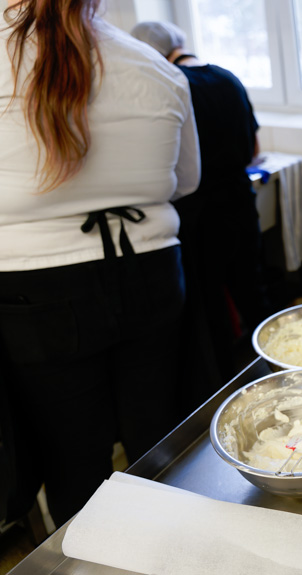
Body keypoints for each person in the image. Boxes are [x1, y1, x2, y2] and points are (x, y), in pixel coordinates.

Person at [0, 0, 199, 527]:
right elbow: (187, 181)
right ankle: (168, 549)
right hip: (152, 271)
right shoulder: (154, 66)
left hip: (36, 291)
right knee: (156, 442)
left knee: (73, 460)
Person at [130, 21, 272, 410]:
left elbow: (170, 166)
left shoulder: (167, 86)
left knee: (211, 310)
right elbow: (253, 149)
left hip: (198, 216)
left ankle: (226, 399)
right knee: (252, 292)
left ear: (152, 54)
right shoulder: (227, 78)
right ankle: (280, 371)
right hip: (240, 203)